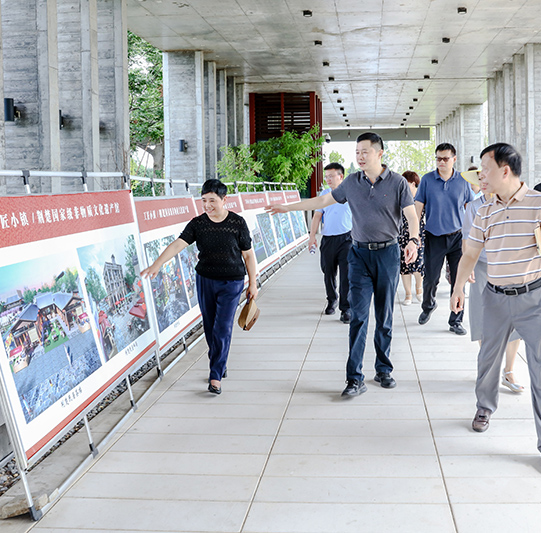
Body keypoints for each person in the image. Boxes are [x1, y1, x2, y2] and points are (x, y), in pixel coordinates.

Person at [451, 143, 541, 474]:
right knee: (487, 359)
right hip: (494, 297)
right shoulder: (485, 210)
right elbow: (470, 253)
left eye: (485, 170)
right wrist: (458, 287)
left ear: (505, 170)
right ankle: (484, 406)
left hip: (534, 299)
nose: (481, 176)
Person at [267, 132, 420, 397]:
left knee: (384, 315)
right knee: (358, 316)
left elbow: (411, 215)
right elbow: (322, 201)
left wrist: (414, 241)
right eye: (357, 152)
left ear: (379, 153)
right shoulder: (351, 182)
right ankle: (354, 378)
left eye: (365, 152)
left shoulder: (397, 183)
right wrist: (288, 207)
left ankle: (383, 369)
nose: (360, 156)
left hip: (387, 254)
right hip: (358, 254)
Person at [141, 179, 258, 395]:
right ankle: (219, 360)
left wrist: (253, 283)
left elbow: (248, 255)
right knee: (210, 326)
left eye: (212, 200)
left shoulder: (237, 223)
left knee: (223, 327)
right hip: (205, 280)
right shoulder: (198, 223)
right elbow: (178, 244)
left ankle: (215, 376)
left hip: (232, 282)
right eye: (204, 200)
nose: (207, 205)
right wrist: (157, 264)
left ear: (224, 200)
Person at [461, 170, 524, 394]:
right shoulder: (473, 207)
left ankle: (509, 371)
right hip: (481, 266)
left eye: (487, 176)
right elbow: (467, 239)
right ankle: (489, 368)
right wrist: (467, 268)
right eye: (480, 178)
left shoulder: (512, 203)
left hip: (509, 268)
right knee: (481, 317)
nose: (484, 181)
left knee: (513, 318)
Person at [415, 143, 473, 335]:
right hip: (434, 237)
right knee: (430, 278)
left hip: (458, 238)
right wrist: (415, 235)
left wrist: (473, 236)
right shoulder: (427, 180)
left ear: (454, 159)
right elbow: (418, 207)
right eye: (438, 158)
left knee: (458, 281)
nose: (441, 162)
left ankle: (456, 320)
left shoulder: (463, 181)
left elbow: (470, 208)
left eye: (445, 158)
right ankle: (428, 305)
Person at [308, 162, 352, 323]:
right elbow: (317, 216)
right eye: (326, 176)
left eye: (331, 176)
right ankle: (332, 299)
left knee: (346, 275)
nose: (328, 179)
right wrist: (312, 237)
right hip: (328, 239)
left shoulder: (350, 194)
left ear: (341, 176)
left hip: (347, 239)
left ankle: (346, 309)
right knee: (328, 272)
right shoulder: (325, 194)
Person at [399, 171, 425, 306]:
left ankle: (419, 289)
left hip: (418, 236)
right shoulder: (401, 199)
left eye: (406, 183)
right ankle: (408, 294)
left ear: (413, 183)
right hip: (403, 235)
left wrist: (418, 235)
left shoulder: (420, 199)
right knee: (404, 266)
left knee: (418, 265)